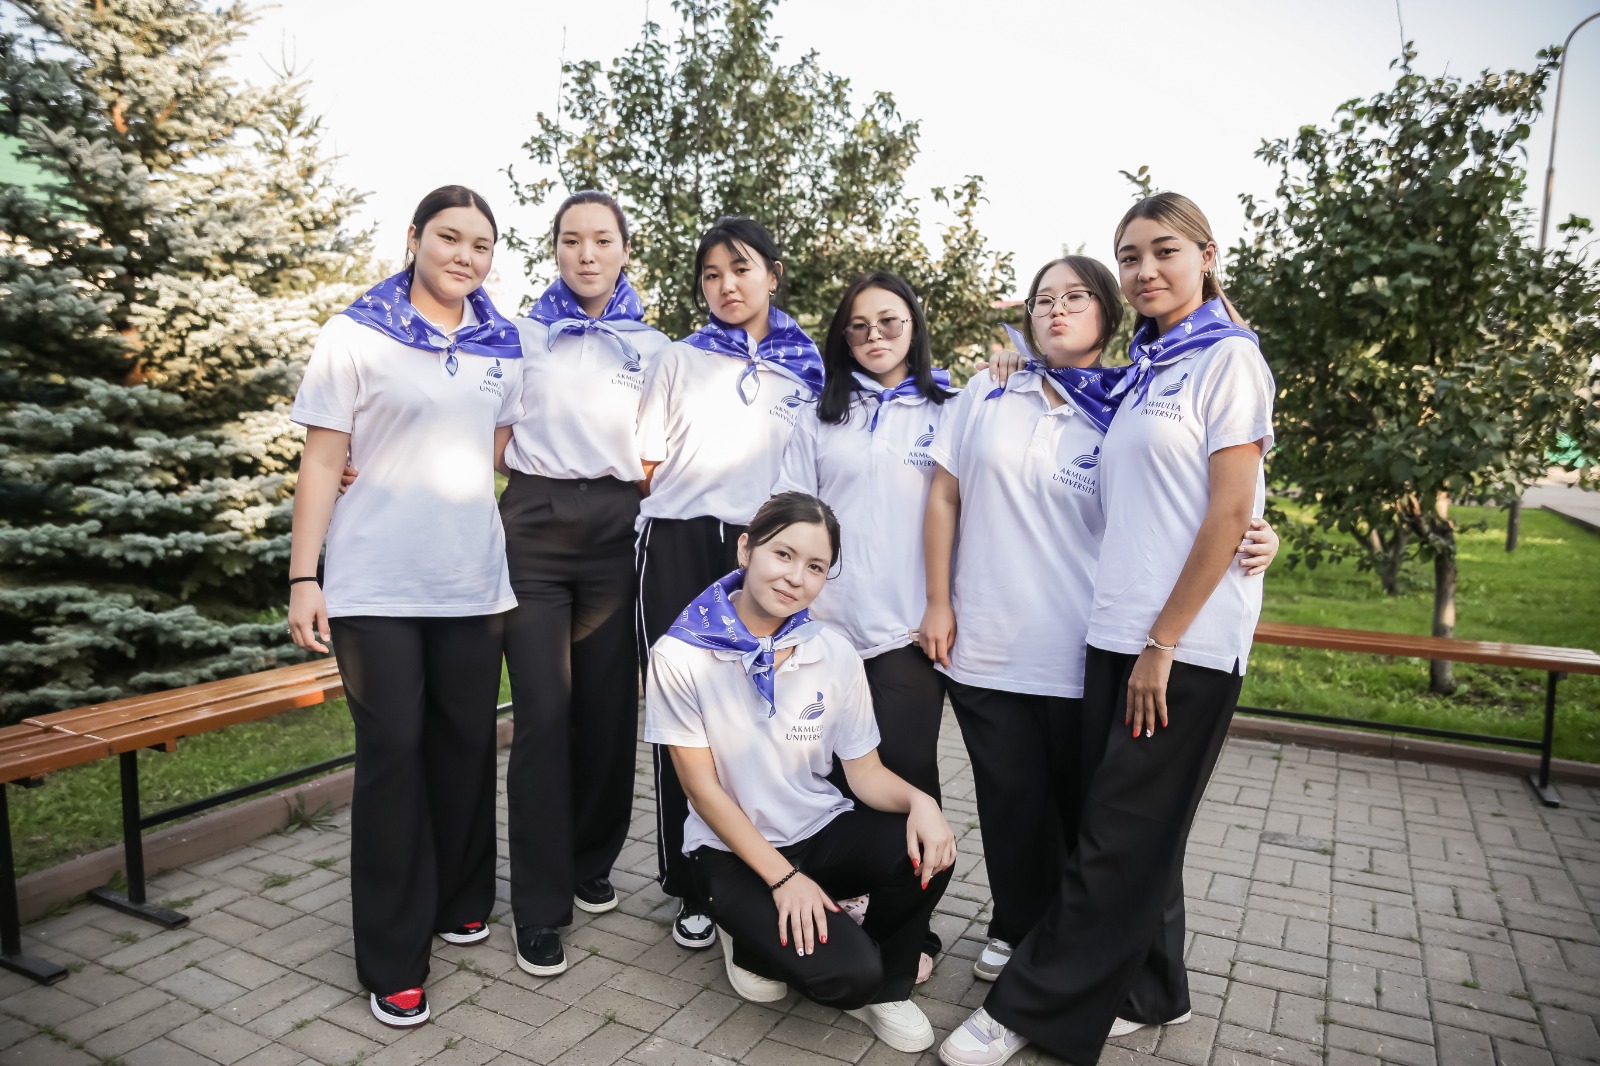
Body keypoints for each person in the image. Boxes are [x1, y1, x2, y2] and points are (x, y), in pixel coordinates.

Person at [941, 193, 1277, 1066]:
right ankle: (1154, 989)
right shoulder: (1147, 370)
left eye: (1164, 250)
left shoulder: (1229, 359)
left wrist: (1164, 642)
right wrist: (1011, 357)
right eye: (1130, 256)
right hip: (1116, 632)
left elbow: (1230, 509)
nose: (1145, 269)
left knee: (1113, 837)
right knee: (1134, 828)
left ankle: (1031, 1006)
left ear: (1207, 255)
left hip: (1181, 645)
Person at [287, 186, 524, 1029]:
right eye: (450, 238)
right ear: (415, 238)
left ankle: (460, 898)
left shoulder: (503, 345)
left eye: (481, 245)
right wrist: (304, 577)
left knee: (464, 745)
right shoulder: (356, 335)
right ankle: (392, 957)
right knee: (393, 754)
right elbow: (323, 461)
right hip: (375, 584)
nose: (465, 255)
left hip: (472, 583)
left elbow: (498, 451)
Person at [643, 492, 956, 1054]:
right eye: (783, 554)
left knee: (927, 849)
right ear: (746, 549)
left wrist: (923, 803)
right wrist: (784, 879)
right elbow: (702, 790)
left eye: (815, 566)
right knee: (846, 977)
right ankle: (748, 939)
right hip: (732, 852)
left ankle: (888, 985)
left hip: (817, 830)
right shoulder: (679, 654)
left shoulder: (832, 651)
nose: (795, 577)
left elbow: (864, 774)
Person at [635, 217, 825, 950]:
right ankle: (690, 883)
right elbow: (647, 463)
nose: (726, 285)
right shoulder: (677, 359)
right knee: (683, 716)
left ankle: (762, 869)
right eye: (711, 275)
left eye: (741, 269)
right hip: (679, 542)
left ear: (772, 275)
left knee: (761, 714)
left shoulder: (806, 368)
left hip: (763, 549)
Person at [497, 192, 672, 976]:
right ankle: (538, 906)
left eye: (602, 240)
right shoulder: (520, 335)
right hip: (533, 526)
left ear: (625, 250)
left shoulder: (654, 347)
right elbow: (486, 434)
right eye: (572, 240)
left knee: (606, 712)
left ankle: (589, 858)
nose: (587, 254)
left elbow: (663, 453)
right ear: (556, 250)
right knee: (543, 713)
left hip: (615, 527)